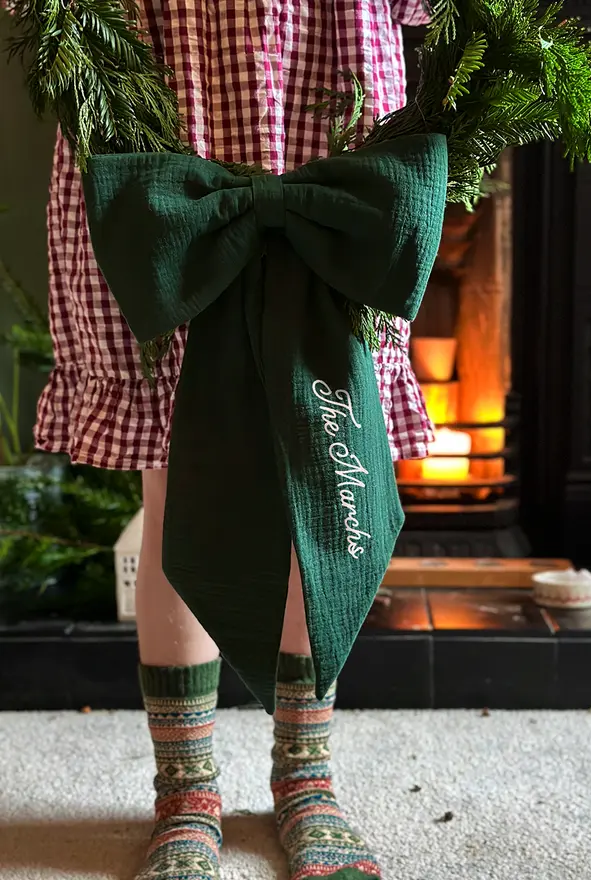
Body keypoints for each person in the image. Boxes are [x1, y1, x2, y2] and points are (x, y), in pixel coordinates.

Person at [23, 2, 434, 878]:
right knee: (174, 471)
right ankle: (186, 787)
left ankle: (307, 776)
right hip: (160, 130)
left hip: (330, 130)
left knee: (324, 467)